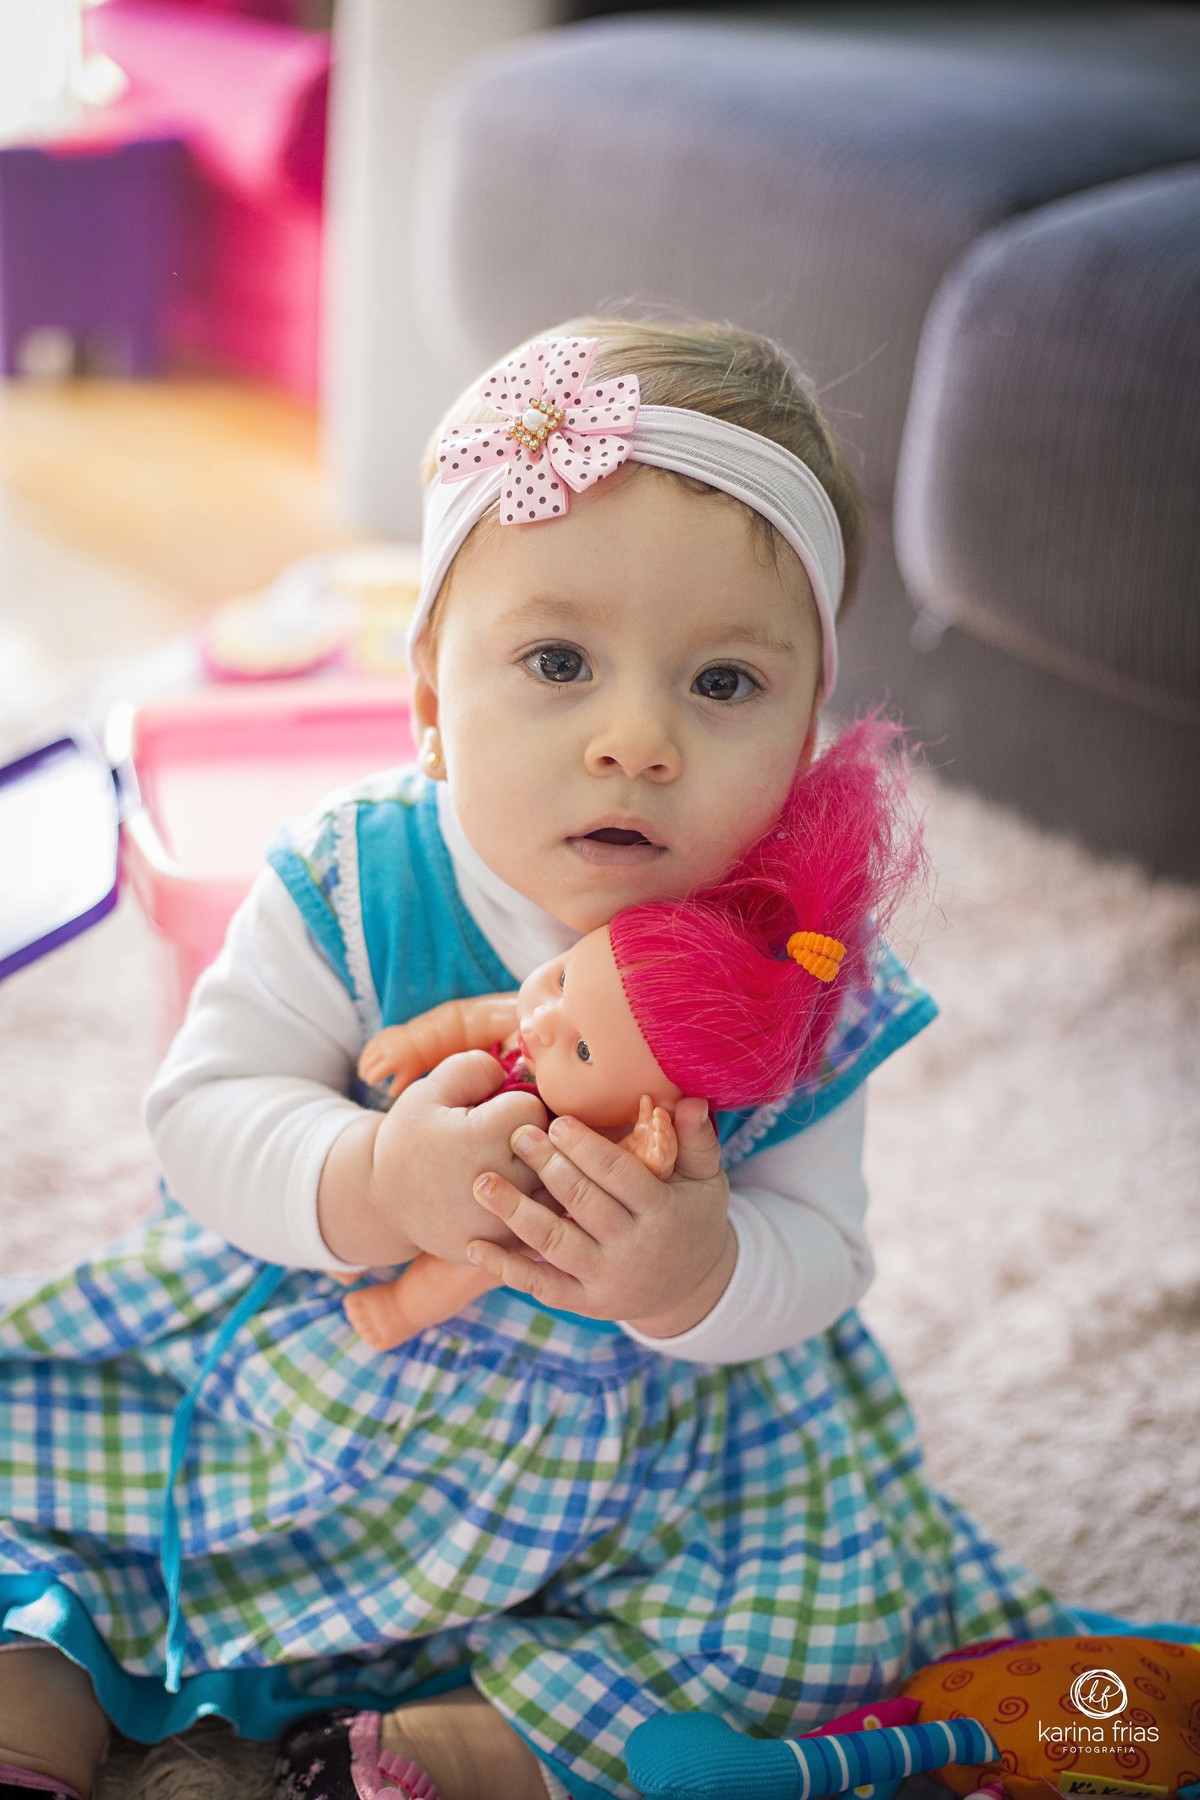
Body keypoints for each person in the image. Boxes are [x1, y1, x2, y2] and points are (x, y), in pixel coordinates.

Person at [0, 317, 1082, 1800]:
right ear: (434, 700)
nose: (636, 738)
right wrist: (370, 1176)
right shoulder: (358, 880)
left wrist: (696, 1272)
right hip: (335, 1355)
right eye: (560, 661)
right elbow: (204, 1118)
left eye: (722, 686)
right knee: (56, 1477)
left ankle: (438, 1750)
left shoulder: (802, 972)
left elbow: (823, 1250)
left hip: (664, 1439)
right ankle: (36, 1711)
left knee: (833, 1613)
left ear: (805, 731)